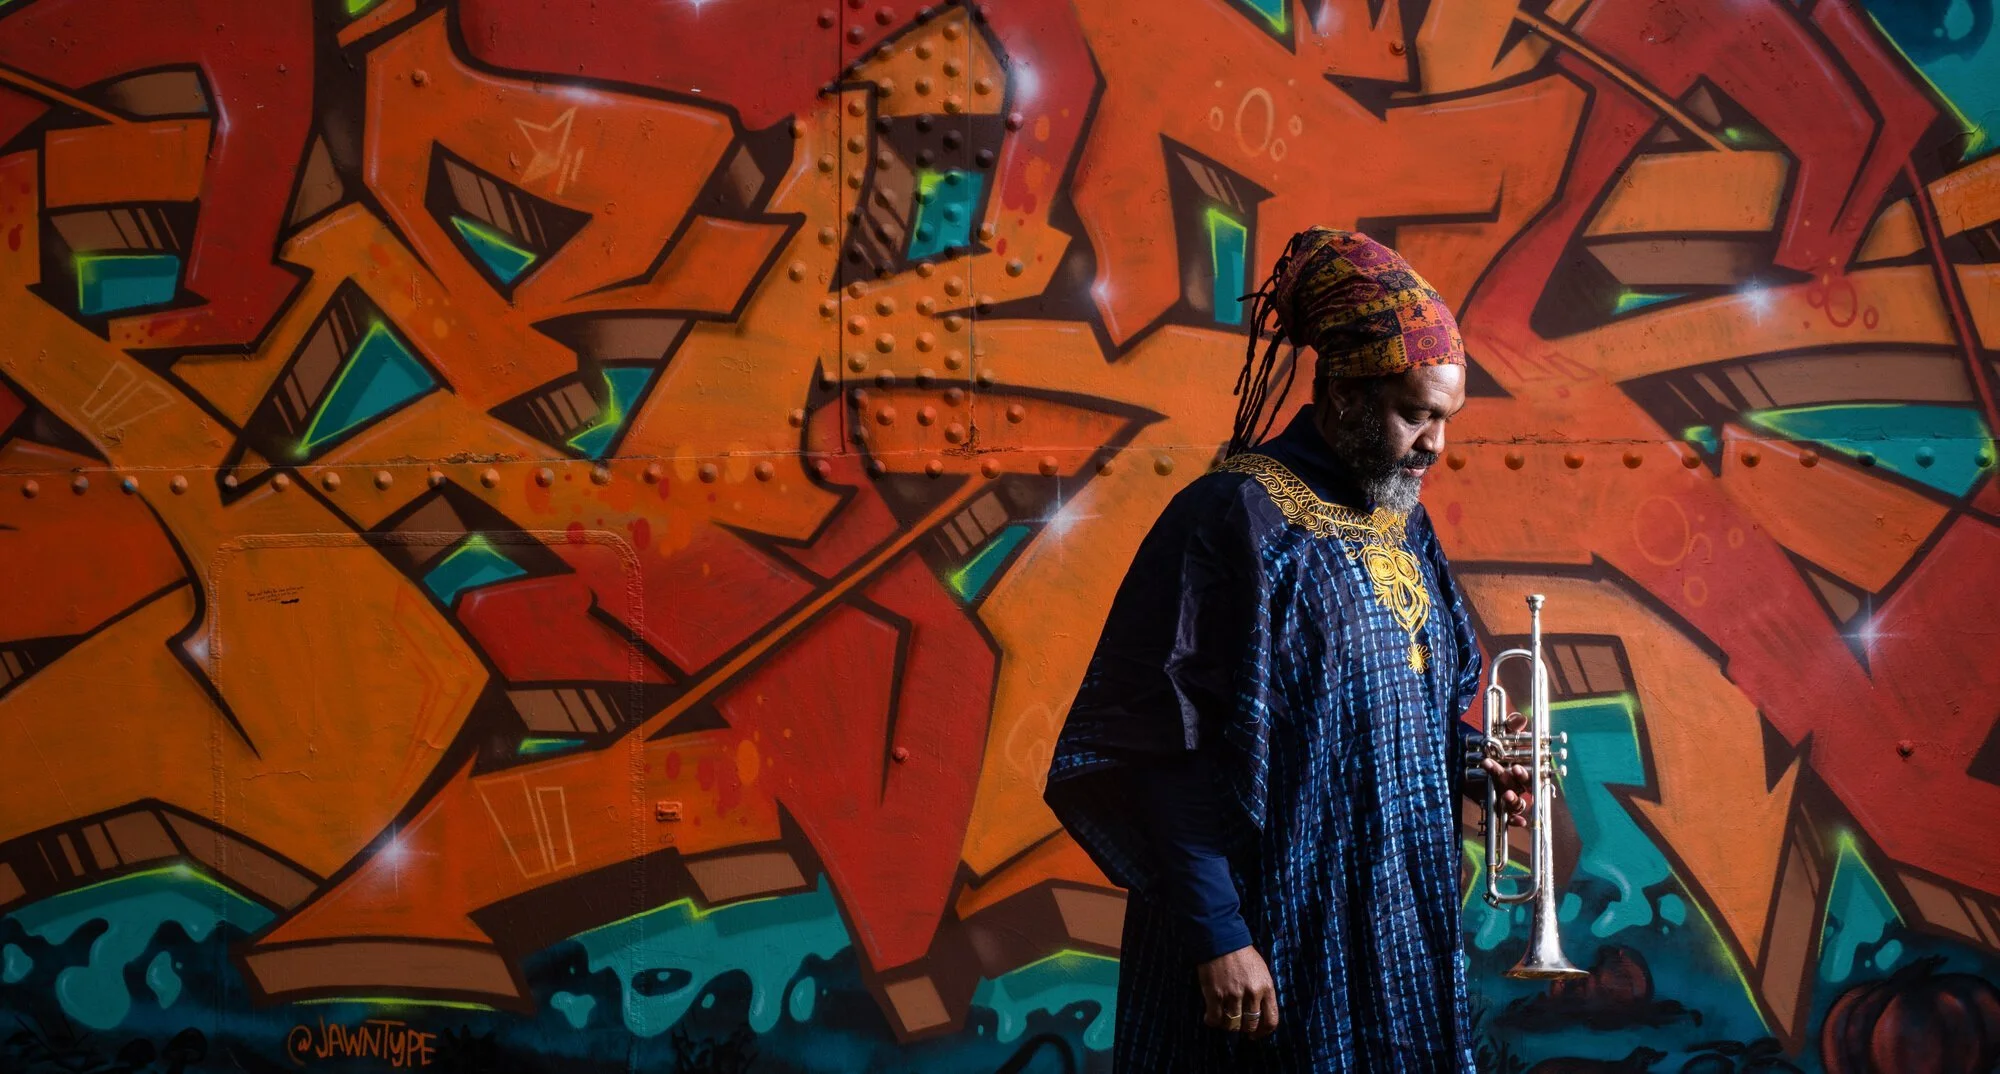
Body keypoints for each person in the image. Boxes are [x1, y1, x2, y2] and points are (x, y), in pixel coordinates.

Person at [1043, 227, 1537, 1071]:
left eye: (1447, 419)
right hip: (1270, 938)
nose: (1436, 447)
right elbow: (1167, 749)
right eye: (1415, 415)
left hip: (1395, 931)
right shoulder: (1231, 518)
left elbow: (1375, 722)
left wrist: (1470, 761)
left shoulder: (1399, 519)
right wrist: (1219, 938)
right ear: (1343, 393)